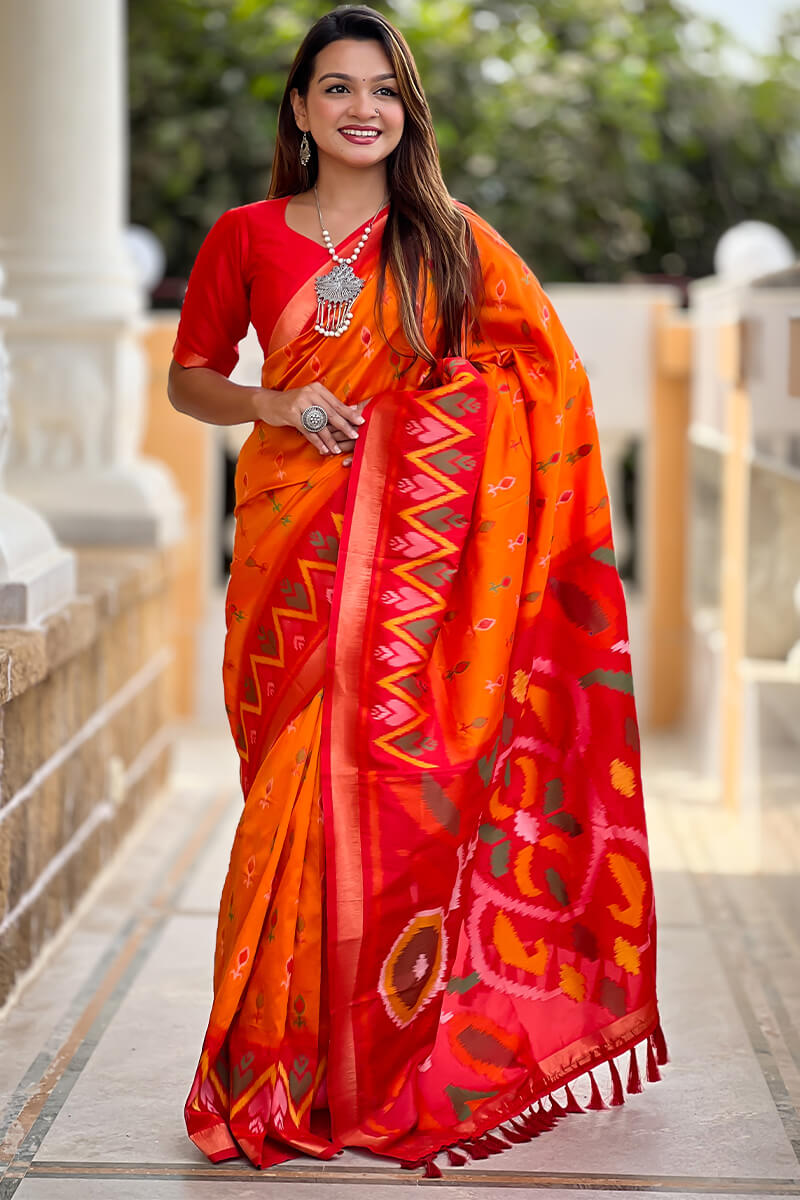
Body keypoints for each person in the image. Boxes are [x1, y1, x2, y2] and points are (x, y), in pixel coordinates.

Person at [168, 4, 666, 1178]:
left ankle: (378, 1071)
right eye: (337, 87)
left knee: (397, 806)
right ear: (300, 109)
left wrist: (419, 432)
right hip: (289, 560)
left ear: (408, 110)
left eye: (383, 89)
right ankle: (267, 1069)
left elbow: (542, 377)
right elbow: (191, 380)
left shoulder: (448, 240)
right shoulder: (246, 236)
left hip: (415, 583)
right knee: (283, 806)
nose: (362, 108)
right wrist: (278, 402)